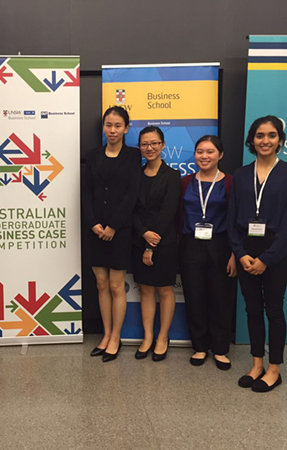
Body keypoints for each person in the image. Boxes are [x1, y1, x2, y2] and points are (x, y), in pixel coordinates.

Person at [228, 115, 287, 392]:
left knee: (274, 310)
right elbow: (232, 218)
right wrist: (239, 253)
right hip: (246, 254)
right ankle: (257, 364)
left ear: (280, 140)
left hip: (276, 255)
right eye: (260, 135)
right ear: (252, 140)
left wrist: (267, 259)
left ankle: (274, 369)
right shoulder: (241, 175)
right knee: (252, 310)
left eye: (271, 135)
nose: (265, 140)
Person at [83, 106, 141, 362]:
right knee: (101, 284)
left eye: (118, 125)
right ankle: (106, 335)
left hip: (120, 231)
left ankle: (116, 337)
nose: (112, 130)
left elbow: (132, 194)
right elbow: (86, 192)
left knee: (117, 286)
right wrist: (93, 223)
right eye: (108, 125)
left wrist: (113, 226)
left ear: (126, 128)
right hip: (95, 230)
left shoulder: (133, 156)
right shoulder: (93, 155)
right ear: (103, 127)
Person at [179, 135, 236, 369]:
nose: (204, 156)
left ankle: (220, 349)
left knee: (221, 297)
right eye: (200, 151)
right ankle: (200, 347)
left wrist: (234, 253)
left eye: (210, 151)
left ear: (220, 155)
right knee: (195, 297)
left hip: (221, 245)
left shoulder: (231, 182)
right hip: (190, 245)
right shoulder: (185, 182)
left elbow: (237, 219)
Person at [132, 126, 181, 361]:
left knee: (164, 289)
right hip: (139, 239)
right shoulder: (135, 176)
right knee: (146, 289)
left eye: (154, 143)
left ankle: (163, 337)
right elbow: (131, 209)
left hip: (165, 242)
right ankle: (148, 337)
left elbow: (169, 212)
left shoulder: (172, 176)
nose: (149, 148)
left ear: (162, 145)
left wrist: (151, 245)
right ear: (140, 147)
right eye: (144, 144)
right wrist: (143, 234)